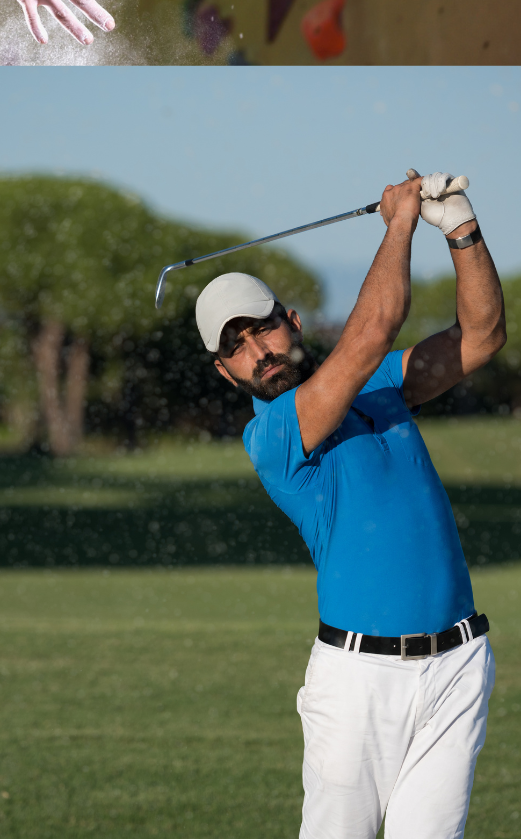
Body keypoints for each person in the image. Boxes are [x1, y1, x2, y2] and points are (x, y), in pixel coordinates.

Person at [196, 170, 505, 839]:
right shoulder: (274, 435)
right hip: (358, 683)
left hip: (458, 666)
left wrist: (461, 228)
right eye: (235, 348)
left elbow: (482, 336)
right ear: (224, 372)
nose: (257, 352)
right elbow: (370, 334)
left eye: (262, 329)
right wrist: (399, 224)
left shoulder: (379, 387)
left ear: (292, 323)